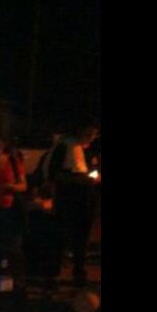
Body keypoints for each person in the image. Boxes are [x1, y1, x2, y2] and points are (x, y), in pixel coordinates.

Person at [48, 122, 100, 286]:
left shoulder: (89, 150)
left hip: (86, 200)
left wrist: (95, 177)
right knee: (61, 235)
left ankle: (79, 271)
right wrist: (80, 178)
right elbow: (54, 174)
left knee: (82, 237)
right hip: (68, 199)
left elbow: (93, 168)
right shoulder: (65, 148)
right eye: (88, 134)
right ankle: (54, 272)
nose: (91, 138)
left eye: (94, 135)